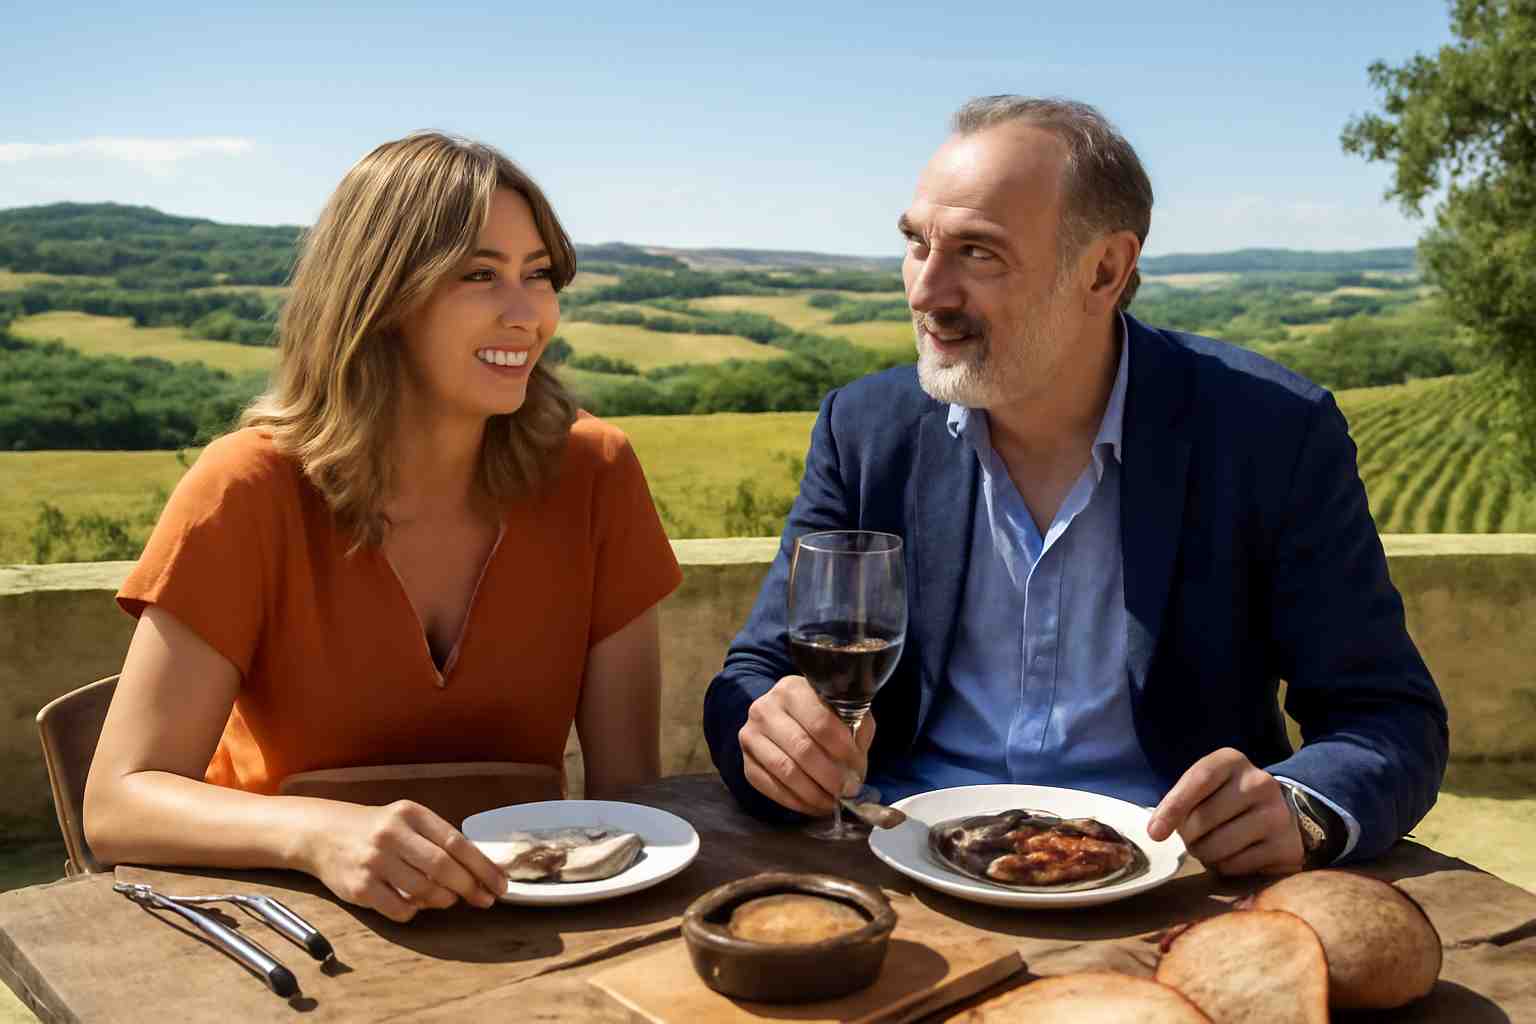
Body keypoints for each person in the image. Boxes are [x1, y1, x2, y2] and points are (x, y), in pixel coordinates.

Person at [704, 96, 1448, 875]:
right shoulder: (865, 430)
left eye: (978, 254)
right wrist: (768, 739)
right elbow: (754, 676)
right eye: (917, 244)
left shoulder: (1270, 434)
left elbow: (1388, 719)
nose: (926, 292)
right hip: (903, 868)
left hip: (1180, 886)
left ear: (1104, 269)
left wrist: (1302, 808)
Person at [84, 132, 682, 921]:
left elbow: (628, 792)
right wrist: (317, 834)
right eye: (478, 275)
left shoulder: (596, 472)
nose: (526, 314)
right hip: (289, 926)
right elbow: (117, 805)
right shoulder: (248, 488)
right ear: (381, 296)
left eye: (538, 276)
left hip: (532, 924)